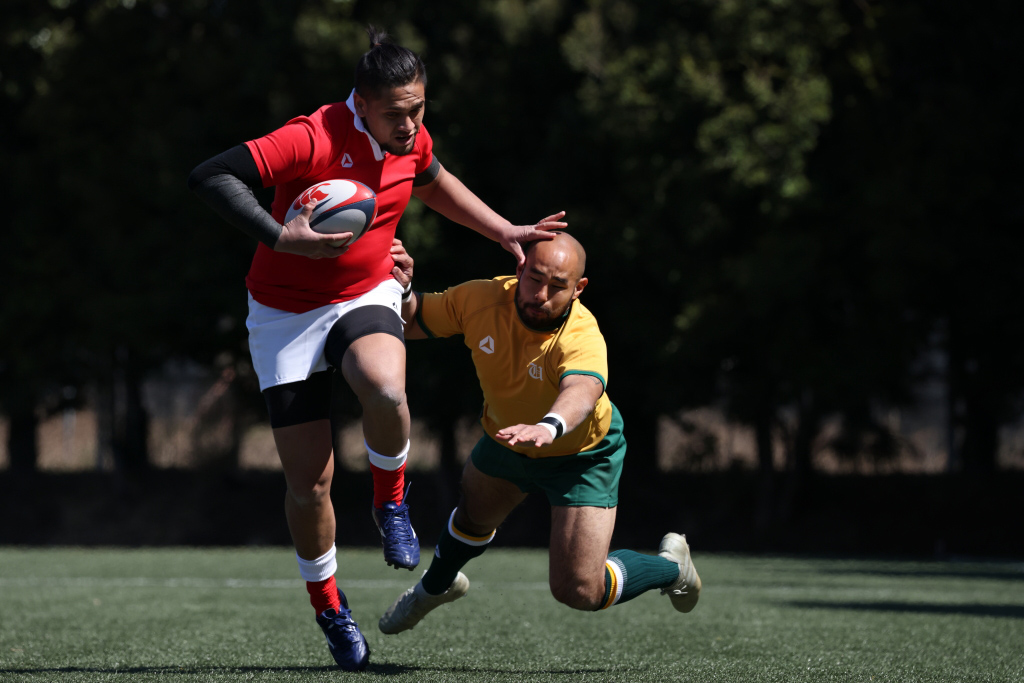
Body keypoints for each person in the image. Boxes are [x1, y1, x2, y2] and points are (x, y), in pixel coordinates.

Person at [187, 27, 564, 671]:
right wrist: (283, 237)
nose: (412, 125)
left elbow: (431, 178)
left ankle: (391, 502)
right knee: (311, 486)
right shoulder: (311, 136)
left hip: (366, 291)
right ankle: (330, 606)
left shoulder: (410, 137)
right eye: (397, 113)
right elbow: (212, 175)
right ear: (359, 104)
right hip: (284, 315)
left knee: (385, 385)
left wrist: (504, 230)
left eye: (419, 108)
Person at [379, 232, 701, 636]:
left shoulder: (581, 334)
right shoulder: (482, 299)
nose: (540, 294)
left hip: (583, 455)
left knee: (579, 589)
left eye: (557, 286)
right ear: (520, 269)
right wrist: (404, 287)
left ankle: (671, 568)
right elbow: (412, 319)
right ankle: (434, 588)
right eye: (534, 278)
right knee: (473, 514)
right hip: (510, 440)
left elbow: (583, 390)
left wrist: (549, 426)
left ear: (579, 289)